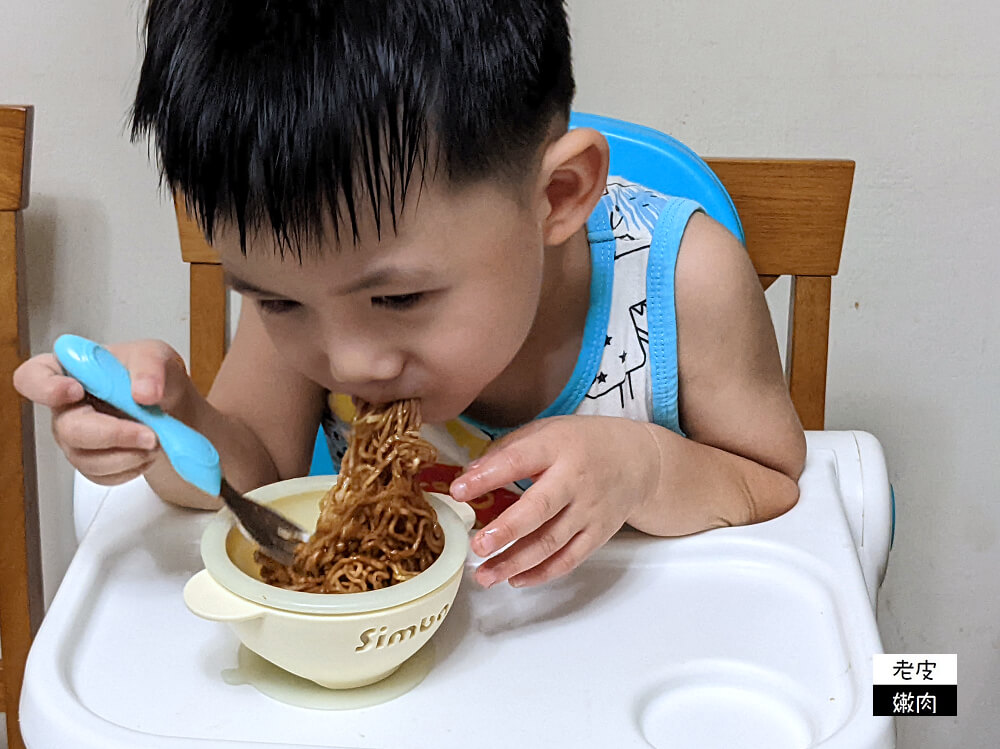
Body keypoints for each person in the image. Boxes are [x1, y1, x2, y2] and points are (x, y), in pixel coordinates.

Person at [14, 0, 805, 590]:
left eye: (398, 300)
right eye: (280, 302)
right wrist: (170, 421)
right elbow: (252, 478)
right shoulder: (311, 290)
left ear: (559, 195)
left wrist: (646, 468)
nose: (349, 359)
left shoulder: (683, 282)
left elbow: (773, 481)